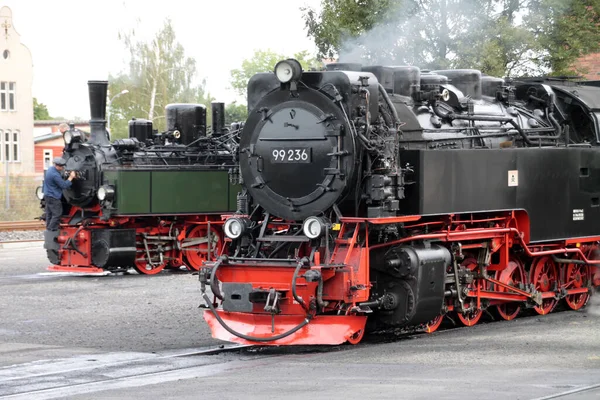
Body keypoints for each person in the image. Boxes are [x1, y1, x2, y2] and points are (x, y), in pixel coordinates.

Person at [42, 157, 76, 231]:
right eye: (62, 167)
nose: (63, 168)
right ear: (57, 166)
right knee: (57, 213)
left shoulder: (50, 169)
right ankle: (52, 229)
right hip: (53, 196)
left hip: (47, 195)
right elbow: (64, 185)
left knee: (49, 213)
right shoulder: (55, 175)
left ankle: (48, 228)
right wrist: (71, 177)